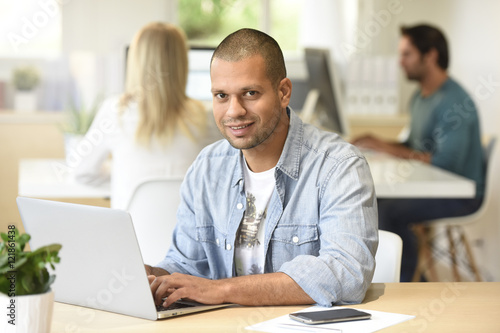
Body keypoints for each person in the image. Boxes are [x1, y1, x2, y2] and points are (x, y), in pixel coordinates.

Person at [145, 28, 378, 308]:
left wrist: (222, 290)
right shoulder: (206, 168)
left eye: (250, 93)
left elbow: (347, 273)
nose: (234, 111)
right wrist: (153, 277)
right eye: (221, 95)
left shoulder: (339, 167)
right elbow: (186, 264)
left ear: (283, 92)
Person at [352, 24, 485, 282]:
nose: (400, 62)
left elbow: (444, 164)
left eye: (407, 54)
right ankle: (403, 275)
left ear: (430, 56)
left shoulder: (455, 103)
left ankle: (405, 281)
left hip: (462, 195)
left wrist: (385, 146)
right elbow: (413, 147)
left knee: (386, 211)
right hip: (436, 187)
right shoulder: (419, 97)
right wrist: (379, 143)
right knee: (374, 202)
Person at [74, 22, 220, 209]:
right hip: (192, 236)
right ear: (183, 62)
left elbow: (82, 172)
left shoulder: (115, 111)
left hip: (131, 235)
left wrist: (127, 178)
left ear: (135, 61)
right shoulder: (208, 115)